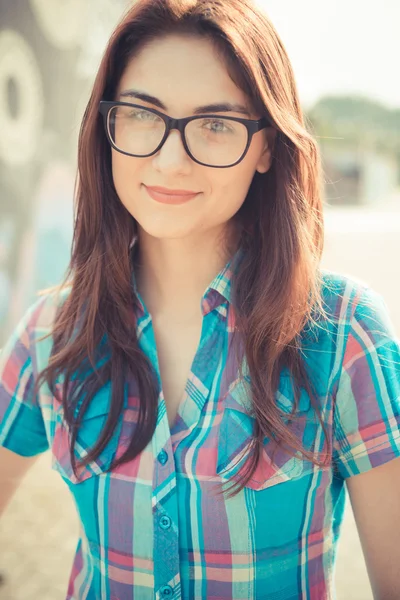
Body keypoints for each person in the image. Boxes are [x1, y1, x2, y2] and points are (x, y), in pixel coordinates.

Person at [1, 0, 399, 598]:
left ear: (267, 147)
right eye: (141, 114)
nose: (169, 158)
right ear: (106, 127)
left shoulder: (343, 334)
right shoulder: (53, 332)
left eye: (215, 125)